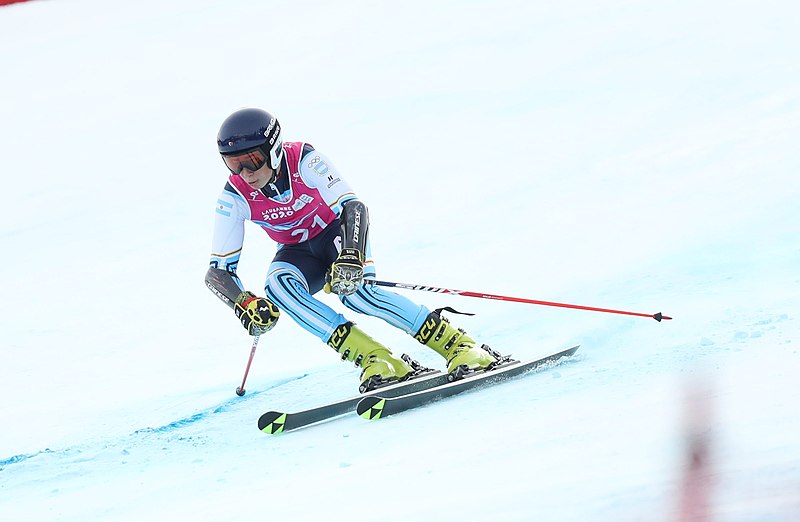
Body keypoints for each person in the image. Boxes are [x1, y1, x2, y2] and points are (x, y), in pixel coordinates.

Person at [205, 107, 498, 392]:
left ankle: (459, 345)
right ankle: (377, 358)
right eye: (233, 164)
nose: (244, 172)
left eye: (252, 160)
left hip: (339, 233)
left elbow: (353, 207)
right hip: (298, 251)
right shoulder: (235, 196)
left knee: (356, 292)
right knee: (278, 288)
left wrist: (351, 255)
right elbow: (217, 272)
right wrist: (242, 303)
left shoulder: (304, 160)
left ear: (274, 150)